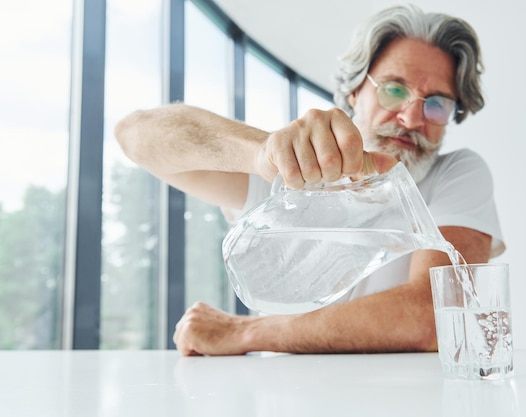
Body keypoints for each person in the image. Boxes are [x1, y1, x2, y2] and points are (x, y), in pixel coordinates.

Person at [115, 3, 505, 356]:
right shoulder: (290, 171)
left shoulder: (455, 174)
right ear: (354, 91)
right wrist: (259, 151)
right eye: (394, 89)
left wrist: (248, 332)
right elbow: (134, 135)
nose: (411, 117)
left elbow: (433, 315)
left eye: (436, 103)